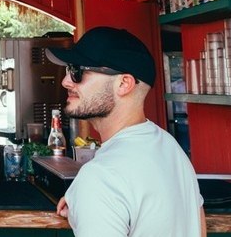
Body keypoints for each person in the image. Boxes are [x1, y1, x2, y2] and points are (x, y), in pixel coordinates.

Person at [46, 27, 205, 237]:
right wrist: (88, 203)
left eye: (77, 71)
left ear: (124, 84)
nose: (66, 81)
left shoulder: (100, 178)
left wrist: (92, 197)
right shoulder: (171, 148)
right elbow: (198, 227)